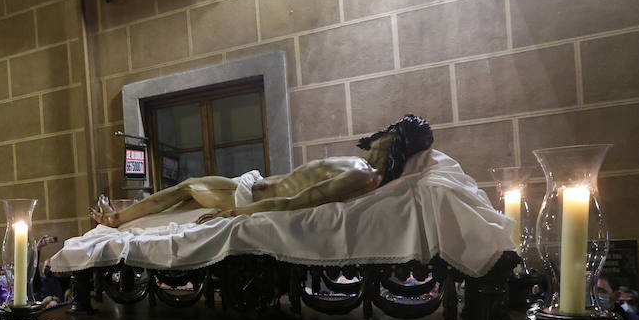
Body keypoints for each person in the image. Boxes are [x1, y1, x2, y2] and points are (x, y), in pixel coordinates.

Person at [90, 113, 435, 227]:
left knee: (188, 187)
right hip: (253, 188)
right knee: (182, 202)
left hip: (251, 196)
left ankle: (118, 219)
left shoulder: (364, 174)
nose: (378, 137)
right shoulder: (361, 168)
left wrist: (239, 213)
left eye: (388, 135)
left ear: (397, 144)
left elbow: (300, 200)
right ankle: (122, 218)